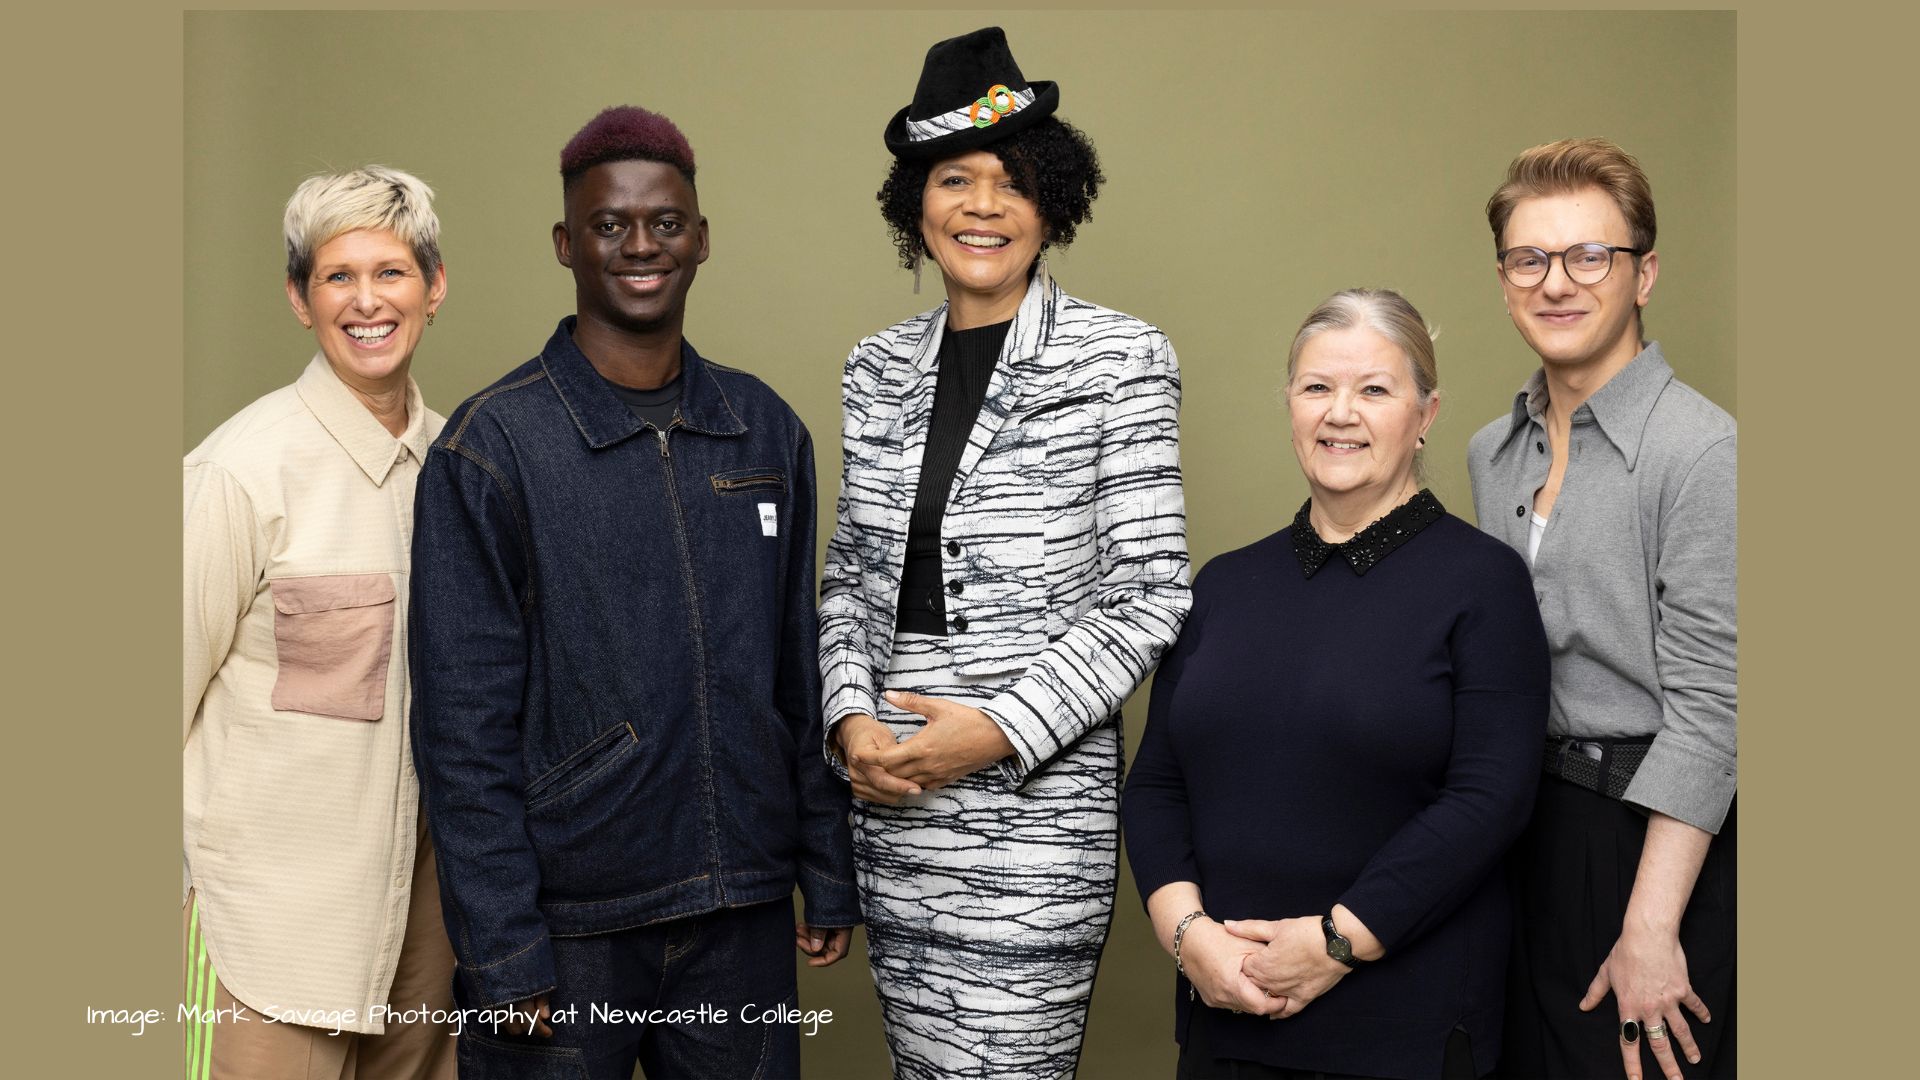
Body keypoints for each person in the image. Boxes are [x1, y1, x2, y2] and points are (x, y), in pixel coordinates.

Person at [408, 105, 858, 1080]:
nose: (641, 245)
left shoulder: (765, 432)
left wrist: (825, 865)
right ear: (568, 244)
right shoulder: (492, 450)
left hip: (741, 913)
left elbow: (802, 668)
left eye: (665, 221)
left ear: (701, 236)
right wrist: (502, 947)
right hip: (567, 934)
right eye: (611, 224)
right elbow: (462, 729)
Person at [817, 26, 1192, 1080]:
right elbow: (849, 576)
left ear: (1051, 200)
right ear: (916, 203)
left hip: (1030, 817)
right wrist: (849, 715)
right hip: (894, 804)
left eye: (1012, 180)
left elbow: (1153, 594)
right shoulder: (875, 368)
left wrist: (994, 732)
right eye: (955, 179)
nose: (983, 205)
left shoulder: (1121, 358)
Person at [1123, 289, 1551, 1080]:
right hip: (1229, 1012)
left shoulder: (1483, 583)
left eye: (1375, 390)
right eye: (1317, 387)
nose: (1339, 414)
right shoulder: (1223, 585)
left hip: (1404, 1029)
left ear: (1426, 413)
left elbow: (1490, 799)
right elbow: (1156, 783)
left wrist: (1333, 944)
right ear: (1289, 404)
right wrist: (1190, 941)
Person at [1470, 138, 1737, 1080]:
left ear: (1643, 274)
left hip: (1652, 842)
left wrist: (1651, 926)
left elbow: (1718, 709)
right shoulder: (1489, 454)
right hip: (1517, 827)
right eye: (1529, 259)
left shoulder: (1703, 453)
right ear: (1504, 278)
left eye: (1591, 256)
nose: (1557, 282)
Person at [182, 164, 456, 1079]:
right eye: (339, 276)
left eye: (392, 272)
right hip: (266, 937)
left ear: (435, 287)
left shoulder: (463, 467)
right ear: (301, 299)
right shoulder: (239, 472)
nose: (367, 301)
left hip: (425, 935)